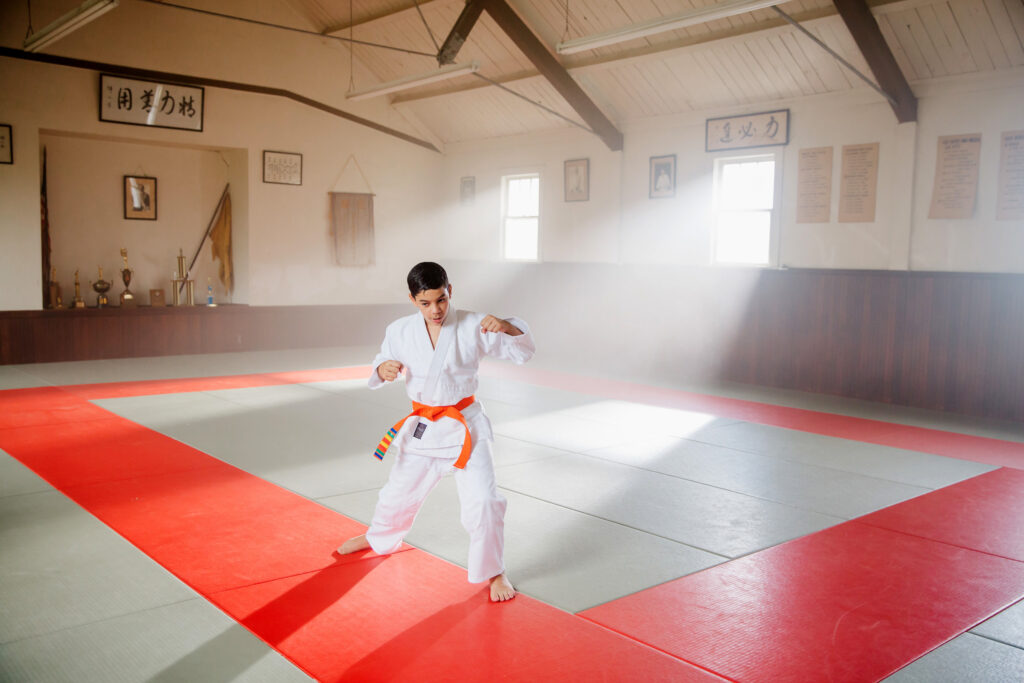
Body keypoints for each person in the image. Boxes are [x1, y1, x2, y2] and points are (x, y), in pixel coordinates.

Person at [337, 262, 535, 602]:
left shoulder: (475, 324)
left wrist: (507, 326)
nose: (436, 310)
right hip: (424, 428)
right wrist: (383, 369)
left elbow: (522, 352)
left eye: (441, 300)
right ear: (413, 300)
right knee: (398, 492)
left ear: (450, 291)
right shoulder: (399, 330)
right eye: (426, 303)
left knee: (485, 501)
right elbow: (382, 361)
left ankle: (494, 571)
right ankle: (380, 536)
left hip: (466, 427)